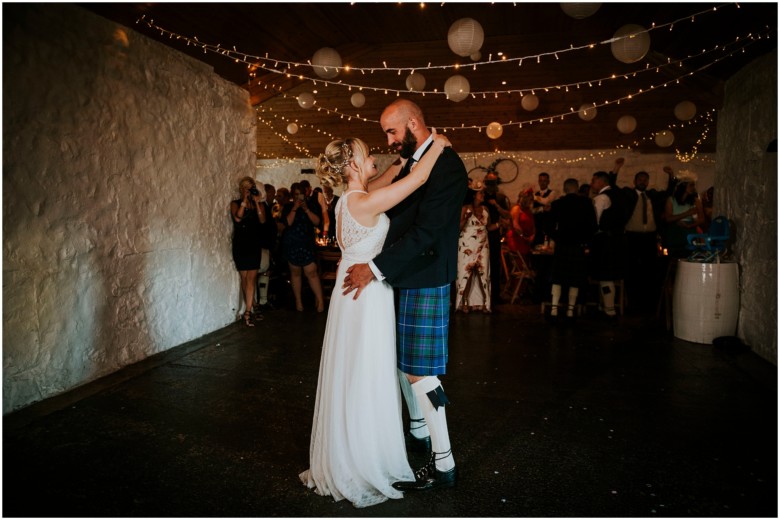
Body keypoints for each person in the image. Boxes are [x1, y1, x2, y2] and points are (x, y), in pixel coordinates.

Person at [299, 130, 453, 508]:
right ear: (353, 164)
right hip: (365, 297)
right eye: (368, 156)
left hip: (354, 294)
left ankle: (352, 447)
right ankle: (364, 458)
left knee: (353, 370)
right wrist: (437, 146)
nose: (374, 160)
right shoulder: (364, 204)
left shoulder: (349, 199)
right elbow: (416, 181)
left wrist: (401, 160)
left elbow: (392, 177)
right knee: (366, 370)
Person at [342, 99, 468, 492]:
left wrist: (376, 267)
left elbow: (428, 231)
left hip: (424, 275)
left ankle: (444, 461)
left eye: (393, 131)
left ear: (413, 123)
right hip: (400, 273)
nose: (390, 140)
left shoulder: (446, 165)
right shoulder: (415, 158)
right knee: (404, 361)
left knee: (420, 368)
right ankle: (418, 429)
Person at [609, 159, 677, 313]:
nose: (643, 181)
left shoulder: (652, 195)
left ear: (648, 182)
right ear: (635, 181)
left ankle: (647, 302)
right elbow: (613, 188)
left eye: (645, 179)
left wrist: (671, 175)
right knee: (632, 269)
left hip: (650, 237)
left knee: (649, 269)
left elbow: (669, 193)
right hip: (632, 237)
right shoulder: (628, 194)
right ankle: (632, 302)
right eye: (640, 179)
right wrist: (616, 168)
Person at [547, 178, 597, 320]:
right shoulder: (586, 203)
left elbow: (548, 227)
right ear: (577, 188)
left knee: (558, 277)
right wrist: (584, 241)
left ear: (564, 189)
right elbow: (593, 226)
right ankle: (570, 309)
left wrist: (558, 237)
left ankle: (554, 309)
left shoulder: (557, 204)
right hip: (578, 247)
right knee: (575, 278)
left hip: (562, 246)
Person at [589, 171, 627, 320]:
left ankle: (609, 309)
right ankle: (605, 305)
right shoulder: (619, 196)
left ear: (601, 181)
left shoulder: (601, 198)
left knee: (605, 275)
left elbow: (595, 221)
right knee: (609, 275)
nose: (591, 184)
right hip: (618, 241)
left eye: (593, 181)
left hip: (604, 242)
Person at [281, 183, 325, 312]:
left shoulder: (311, 205)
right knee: (295, 273)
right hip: (292, 244)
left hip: (306, 243)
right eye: (295, 194)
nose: (298, 197)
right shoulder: (288, 207)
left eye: (300, 194)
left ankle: (320, 301)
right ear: (292, 195)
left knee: (311, 272)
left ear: (305, 194)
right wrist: (295, 208)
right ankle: (298, 301)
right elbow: (287, 222)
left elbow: (317, 222)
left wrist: (306, 210)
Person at [229, 177, 266, 326]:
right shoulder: (235, 204)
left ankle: (248, 312)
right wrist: (244, 200)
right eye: (245, 188)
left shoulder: (258, 204)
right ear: (241, 189)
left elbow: (262, 220)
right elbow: (238, 218)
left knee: (251, 278)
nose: (248, 190)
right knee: (244, 279)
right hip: (241, 244)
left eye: (250, 187)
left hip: (254, 244)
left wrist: (256, 202)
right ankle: (253, 306)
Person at [455, 181, 493, 314]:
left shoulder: (485, 209)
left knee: (483, 272)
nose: (483, 195)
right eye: (480, 193)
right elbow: (458, 228)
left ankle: (485, 303)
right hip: (467, 244)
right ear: (474, 195)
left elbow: (489, 227)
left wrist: (501, 225)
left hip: (483, 244)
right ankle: (464, 302)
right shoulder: (465, 208)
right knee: (467, 272)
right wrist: (465, 219)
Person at [482, 172, 511, 306]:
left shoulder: (500, 197)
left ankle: (495, 295)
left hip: (494, 235)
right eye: (488, 182)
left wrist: (497, 206)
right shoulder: (480, 196)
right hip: (480, 234)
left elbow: (507, 215)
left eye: (493, 183)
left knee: (494, 265)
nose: (490, 186)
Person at [662, 174, 705, 259]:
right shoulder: (671, 200)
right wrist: (687, 214)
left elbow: (702, 219)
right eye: (691, 185)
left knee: (690, 256)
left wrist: (690, 225)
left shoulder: (696, 201)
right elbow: (668, 218)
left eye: (694, 185)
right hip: (675, 231)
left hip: (690, 231)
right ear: (683, 186)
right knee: (675, 257)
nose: (693, 188)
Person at [532, 172, 557, 245]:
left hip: (548, 226)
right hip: (537, 226)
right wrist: (542, 209)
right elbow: (531, 211)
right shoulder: (535, 194)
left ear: (548, 182)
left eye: (544, 181)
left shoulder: (553, 193)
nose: (542, 183)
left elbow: (546, 201)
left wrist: (534, 197)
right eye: (540, 181)